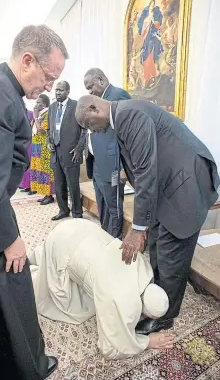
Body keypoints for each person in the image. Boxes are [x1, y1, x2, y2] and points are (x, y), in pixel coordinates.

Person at [75, 95, 220, 336]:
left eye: (89, 125)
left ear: (94, 108)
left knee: (171, 253)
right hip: (170, 182)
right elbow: (139, 161)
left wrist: (138, 228)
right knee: (157, 247)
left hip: (186, 184)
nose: (92, 131)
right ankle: (157, 296)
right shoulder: (121, 116)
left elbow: (145, 173)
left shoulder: (128, 114)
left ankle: (165, 316)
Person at [0, 24, 69, 380]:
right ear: (28, 60)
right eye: (49, 77)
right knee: (9, 293)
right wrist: (10, 240)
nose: (49, 86)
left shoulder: (2, 89)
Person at [29, 219, 176, 360]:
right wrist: (147, 342)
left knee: (52, 258)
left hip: (79, 227)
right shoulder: (120, 300)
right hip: (63, 243)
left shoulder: (143, 265)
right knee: (66, 302)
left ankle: (36, 256)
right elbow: (111, 349)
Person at [84, 68, 131, 239]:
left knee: (114, 206)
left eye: (91, 87)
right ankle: (106, 235)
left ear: (101, 81)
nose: (89, 91)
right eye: (87, 89)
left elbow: (126, 135)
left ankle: (114, 240)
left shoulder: (119, 95)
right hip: (97, 162)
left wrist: (123, 166)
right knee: (102, 203)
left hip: (112, 164)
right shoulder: (95, 100)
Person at [47, 81, 86, 221]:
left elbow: (84, 128)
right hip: (55, 153)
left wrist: (79, 147)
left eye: (61, 90)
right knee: (59, 185)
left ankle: (77, 213)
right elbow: (48, 129)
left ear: (68, 92)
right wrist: (48, 142)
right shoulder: (51, 108)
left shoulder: (76, 106)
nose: (57, 92)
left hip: (71, 153)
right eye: (56, 90)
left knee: (72, 185)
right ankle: (63, 210)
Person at [30, 94, 55, 205]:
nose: (36, 105)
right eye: (36, 102)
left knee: (46, 171)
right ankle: (45, 194)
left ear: (44, 104)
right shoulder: (40, 114)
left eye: (38, 102)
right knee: (40, 171)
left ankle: (49, 195)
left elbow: (43, 130)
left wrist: (35, 117)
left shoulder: (48, 113)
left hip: (44, 147)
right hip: (36, 146)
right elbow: (33, 128)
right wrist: (34, 119)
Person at [19, 110, 34, 192]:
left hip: (30, 141)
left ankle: (32, 186)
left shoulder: (31, 113)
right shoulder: (19, 113)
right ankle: (26, 185)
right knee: (24, 163)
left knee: (31, 164)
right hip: (22, 142)